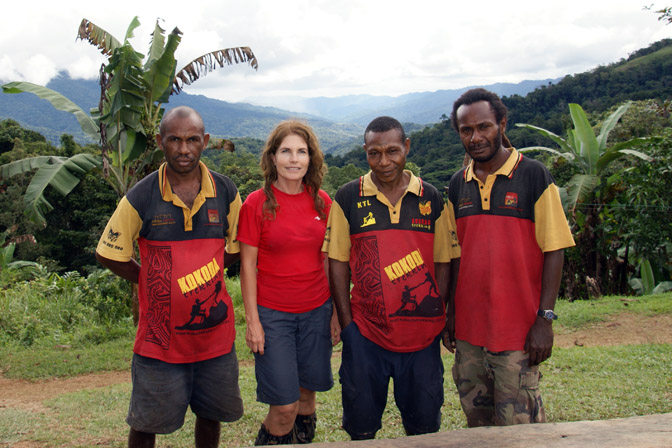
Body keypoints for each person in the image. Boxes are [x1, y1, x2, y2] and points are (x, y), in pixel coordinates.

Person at [95, 106, 244, 448]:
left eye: (192, 140)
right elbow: (108, 252)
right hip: (158, 342)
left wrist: (213, 269)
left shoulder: (225, 191)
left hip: (215, 341)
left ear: (205, 142)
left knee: (211, 415)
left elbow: (239, 245)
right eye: (174, 140)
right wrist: (149, 280)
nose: (183, 149)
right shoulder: (143, 195)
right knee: (146, 423)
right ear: (160, 142)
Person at [444, 88, 575, 427]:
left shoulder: (533, 176)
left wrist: (544, 319)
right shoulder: (458, 185)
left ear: (501, 124)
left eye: (484, 127)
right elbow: (457, 256)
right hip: (470, 335)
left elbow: (554, 249)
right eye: (466, 130)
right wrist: (451, 313)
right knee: (479, 426)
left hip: (517, 333)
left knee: (522, 430)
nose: (476, 137)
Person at [323, 116, 460, 440]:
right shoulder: (348, 198)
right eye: (375, 153)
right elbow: (337, 262)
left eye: (393, 151)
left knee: (424, 427)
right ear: (365, 152)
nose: (384, 161)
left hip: (422, 341)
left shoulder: (432, 198)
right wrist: (348, 326)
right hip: (366, 337)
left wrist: (435, 313)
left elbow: (444, 259)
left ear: (407, 148)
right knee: (361, 428)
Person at [237, 120, 339, 445]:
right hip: (273, 316)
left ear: (311, 158)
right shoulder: (256, 204)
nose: (294, 159)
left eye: (301, 152)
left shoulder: (323, 203)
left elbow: (328, 261)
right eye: (286, 151)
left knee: (307, 398)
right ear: (273, 157)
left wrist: (335, 312)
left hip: (316, 314)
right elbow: (248, 265)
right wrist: (253, 321)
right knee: (284, 406)